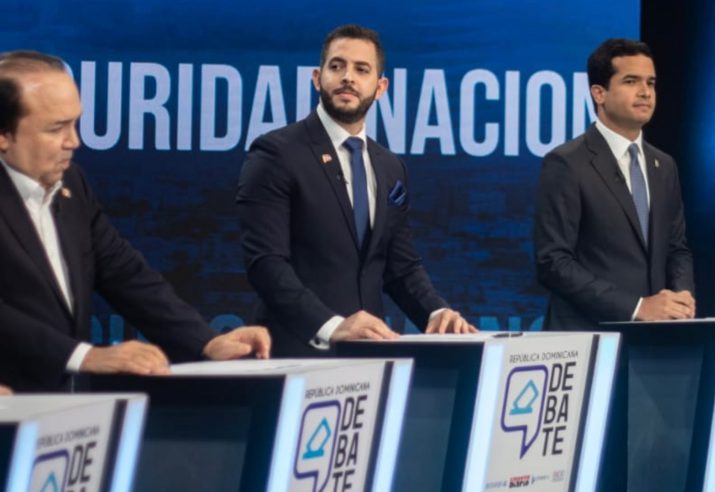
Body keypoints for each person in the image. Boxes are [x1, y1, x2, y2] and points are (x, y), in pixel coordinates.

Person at [0, 50, 271, 391]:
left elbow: (125, 274)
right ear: (4, 134)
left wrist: (206, 342)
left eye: (75, 123)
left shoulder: (73, 183)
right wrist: (84, 356)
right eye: (56, 129)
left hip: (59, 414)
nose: (74, 141)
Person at [237, 24, 475, 356]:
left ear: (380, 87)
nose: (348, 77)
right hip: (292, 353)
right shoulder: (276, 153)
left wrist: (435, 312)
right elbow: (266, 263)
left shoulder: (391, 167)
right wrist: (332, 325)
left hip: (368, 356)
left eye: (361, 69)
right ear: (317, 78)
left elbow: (400, 266)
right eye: (337, 66)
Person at [534, 38, 695, 330]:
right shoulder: (567, 163)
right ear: (599, 93)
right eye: (631, 81)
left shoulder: (665, 165)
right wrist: (637, 307)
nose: (645, 92)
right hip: (587, 337)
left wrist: (682, 295)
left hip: (656, 339)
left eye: (651, 82)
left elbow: (676, 248)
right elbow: (553, 262)